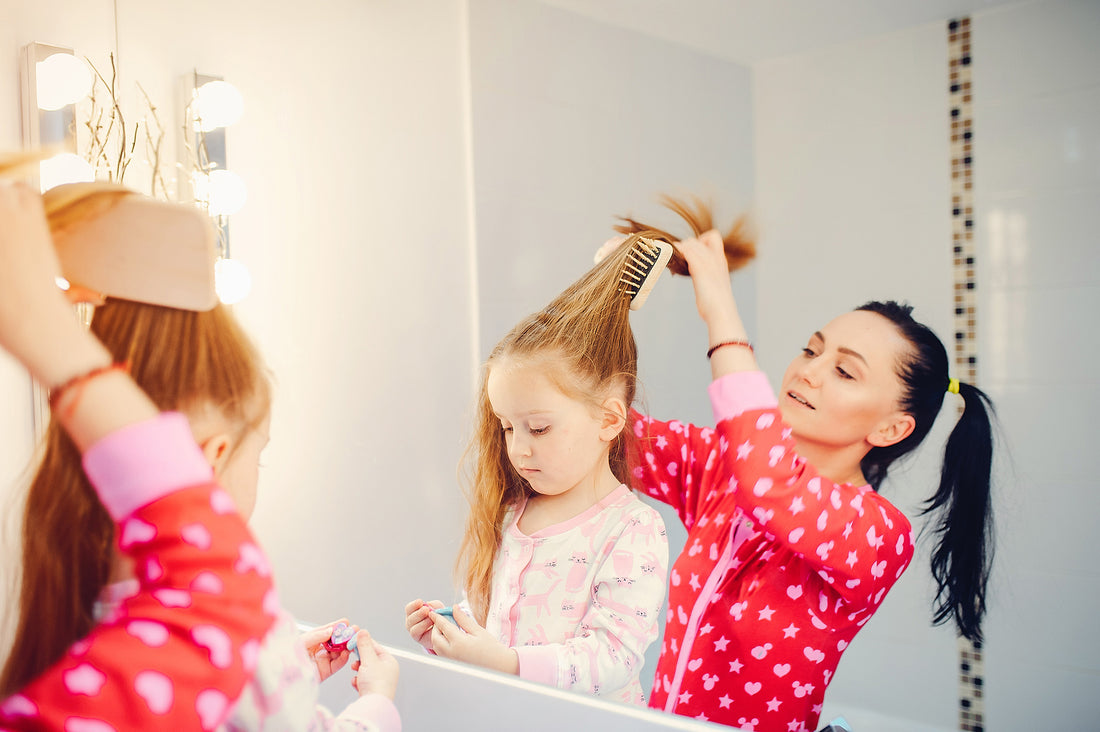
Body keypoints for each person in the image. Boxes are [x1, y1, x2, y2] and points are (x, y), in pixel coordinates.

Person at [0, 172, 400, 730]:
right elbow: (216, 598)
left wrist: (277, 672)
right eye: (256, 455)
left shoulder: (75, 627)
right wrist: (375, 704)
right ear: (207, 459)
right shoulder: (220, 631)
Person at [614, 204, 996, 732]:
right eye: (810, 350)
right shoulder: (722, 467)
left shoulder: (878, 534)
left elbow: (769, 483)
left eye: (843, 371)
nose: (808, 371)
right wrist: (605, 299)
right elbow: (604, 431)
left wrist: (719, 309)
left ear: (890, 429)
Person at [404, 235, 670, 705]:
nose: (518, 450)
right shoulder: (514, 512)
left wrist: (509, 665)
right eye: (508, 427)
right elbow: (494, 620)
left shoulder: (631, 529)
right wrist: (453, 630)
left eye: (539, 429)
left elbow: (614, 655)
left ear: (609, 419)